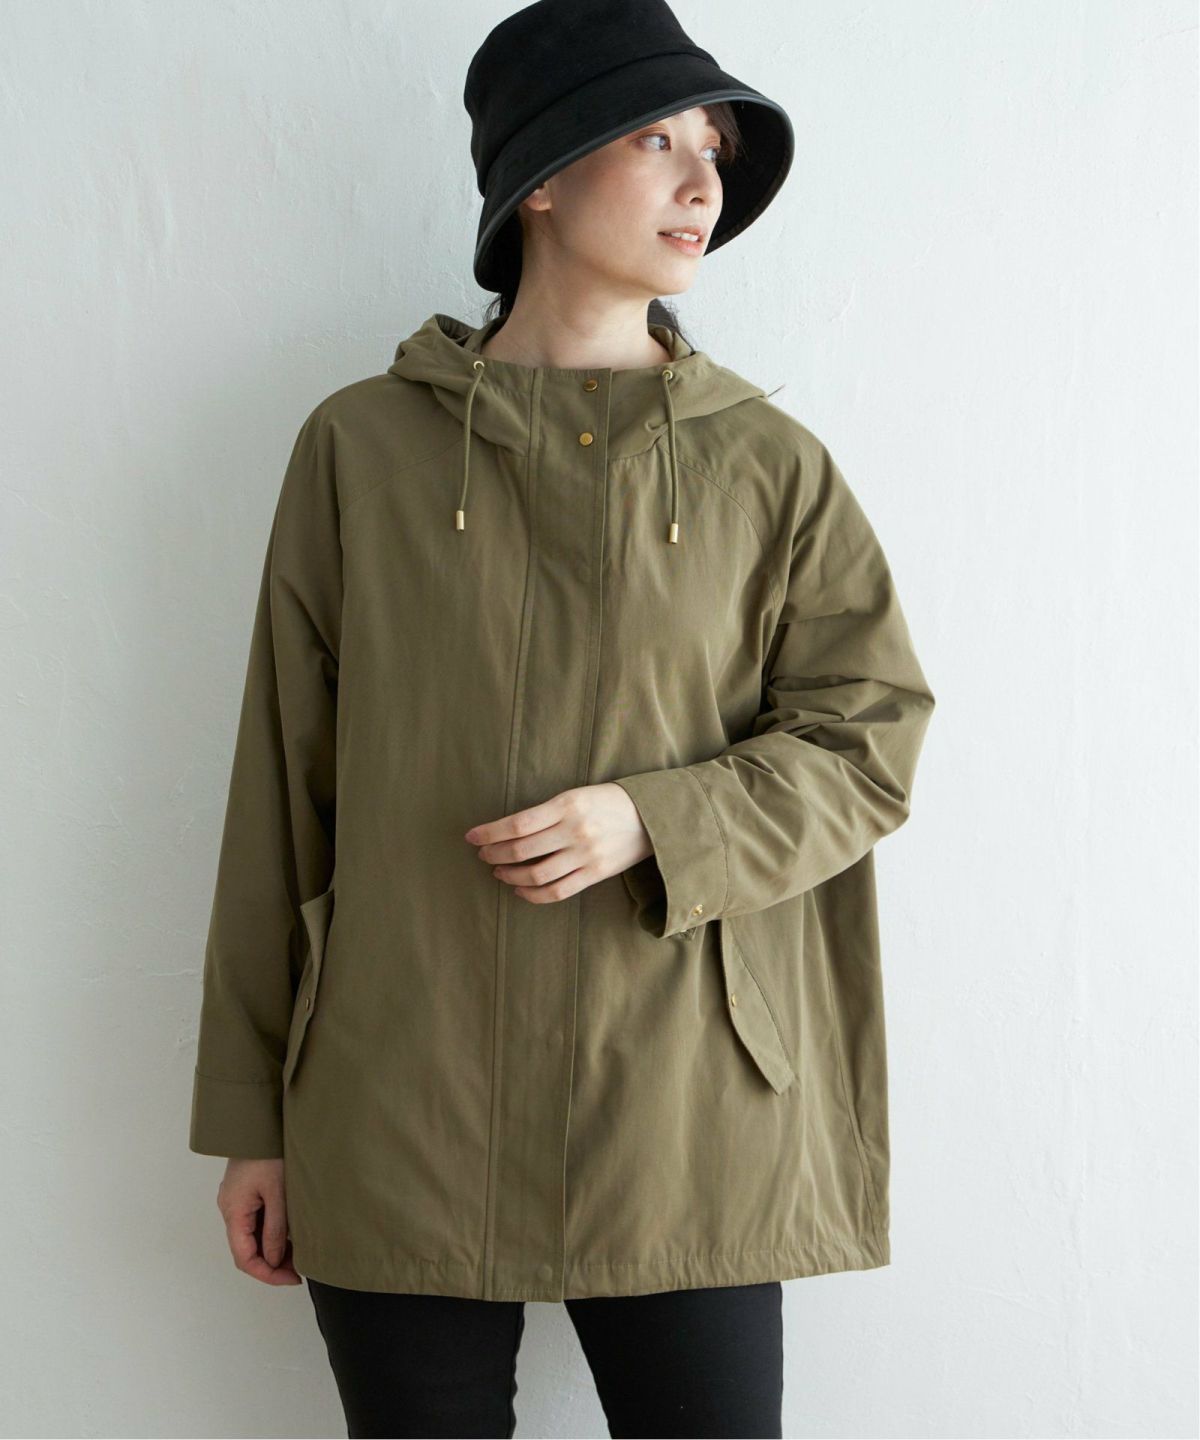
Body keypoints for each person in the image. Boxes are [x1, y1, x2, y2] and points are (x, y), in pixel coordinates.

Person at [187, 2, 937, 1436]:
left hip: (684, 1104)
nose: (703, 181)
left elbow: (869, 738)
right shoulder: (359, 448)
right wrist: (250, 1122)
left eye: (713, 147)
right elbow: (280, 786)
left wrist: (652, 818)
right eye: (657, 140)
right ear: (538, 178)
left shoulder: (768, 466)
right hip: (400, 1092)